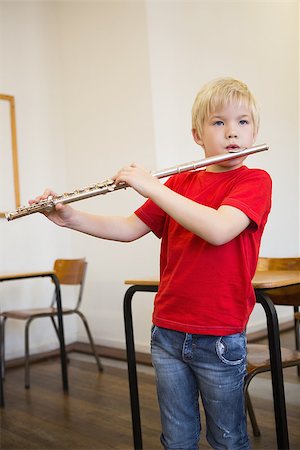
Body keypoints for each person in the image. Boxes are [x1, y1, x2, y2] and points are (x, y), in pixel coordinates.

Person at [31, 77, 272, 450]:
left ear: (254, 130)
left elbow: (221, 229)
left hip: (220, 334)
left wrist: (152, 186)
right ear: (197, 134)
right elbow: (128, 229)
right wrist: (69, 218)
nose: (232, 133)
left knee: (227, 439)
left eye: (243, 122)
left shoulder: (255, 180)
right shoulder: (178, 184)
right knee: (176, 438)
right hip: (168, 332)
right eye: (218, 122)